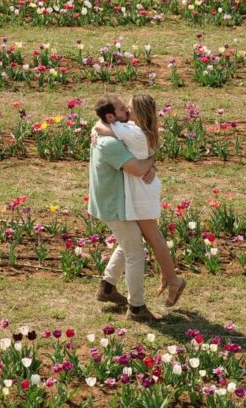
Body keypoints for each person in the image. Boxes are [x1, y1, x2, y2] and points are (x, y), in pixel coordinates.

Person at [92, 93, 186, 310]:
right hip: (139, 189)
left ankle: (172, 281)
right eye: (123, 108)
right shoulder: (139, 131)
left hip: (140, 190)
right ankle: (111, 285)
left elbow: (100, 128)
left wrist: (96, 131)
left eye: (130, 108)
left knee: (152, 237)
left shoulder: (132, 131)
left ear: (139, 114)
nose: (126, 110)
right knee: (137, 239)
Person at [88, 93, 158, 323]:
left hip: (110, 200)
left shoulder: (107, 131)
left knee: (128, 242)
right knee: (135, 252)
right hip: (115, 204)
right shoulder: (110, 143)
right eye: (121, 109)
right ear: (111, 116)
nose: (127, 112)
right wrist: (152, 159)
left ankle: (107, 287)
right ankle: (137, 308)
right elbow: (137, 169)